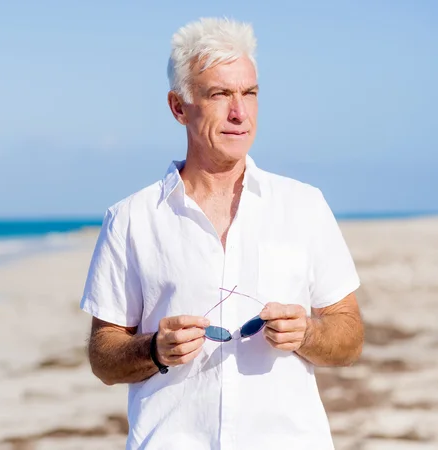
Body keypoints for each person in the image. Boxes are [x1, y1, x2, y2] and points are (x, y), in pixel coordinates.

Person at [80, 17, 364, 450]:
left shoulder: (304, 205)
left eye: (249, 93)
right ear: (179, 107)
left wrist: (307, 332)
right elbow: (104, 355)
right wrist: (155, 350)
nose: (240, 112)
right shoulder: (131, 218)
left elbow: (350, 336)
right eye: (220, 94)